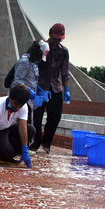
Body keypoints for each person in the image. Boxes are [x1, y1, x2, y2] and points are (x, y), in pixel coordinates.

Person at [31, 23, 71, 154]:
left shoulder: (63, 51)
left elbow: (65, 71)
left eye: (60, 39)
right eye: (55, 38)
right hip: (40, 87)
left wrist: (66, 89)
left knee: (55, 117)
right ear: (50, 34)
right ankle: (36, 141)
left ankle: (46, 142)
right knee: (37, 117)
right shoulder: (41, 46)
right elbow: (32, 64)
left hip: (55, 88)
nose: (57, 41)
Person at [11, 40, 50, 126]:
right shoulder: (25, 62)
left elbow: (31, 80)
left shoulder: (33, 63)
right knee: (22, 125)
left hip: (28, 100)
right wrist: (28, 90)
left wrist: (40, 90)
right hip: (20, 97)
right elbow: (17, 80)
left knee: (28, 123)